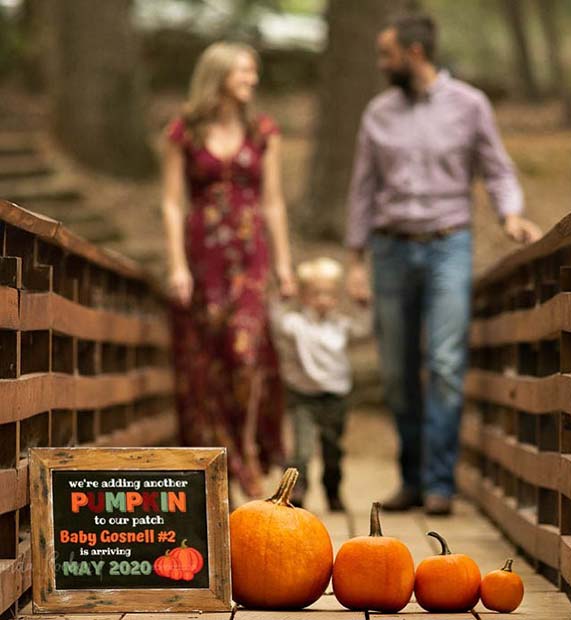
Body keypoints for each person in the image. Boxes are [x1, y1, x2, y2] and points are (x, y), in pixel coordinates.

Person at [345, 13, 541, 515]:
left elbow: (497, 168)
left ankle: (438, 483)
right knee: (395, 373)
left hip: (448, 246)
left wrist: (511, 215)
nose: (380, 64)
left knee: (447, 365)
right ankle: (411, 477)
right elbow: (363, 189)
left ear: (414, 53)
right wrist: (354, 260)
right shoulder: (377, 113)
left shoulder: (470, 105)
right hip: (389, 250)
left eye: (386, 54)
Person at [161, 42, 295, 499]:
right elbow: (171, 203)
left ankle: (250, 450)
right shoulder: (184, 132)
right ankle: (224, 465)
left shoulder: (262, 132)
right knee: (208, 366)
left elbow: (273, 202)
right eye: (244, 71)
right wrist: (177, 266)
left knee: (246, 354)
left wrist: (285, 265)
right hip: (202, 259)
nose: (252, 80)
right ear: (218, 76)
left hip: (250, 256)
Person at [270, 257, 371, 511]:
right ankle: (297, 491)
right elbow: (276, 322)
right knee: (302, 449)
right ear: (303, 296)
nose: (322, 300)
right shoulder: (297, 324)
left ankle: (333, 489)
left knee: (333, 449)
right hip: (303, 396)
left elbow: (364, 329)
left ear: (336, 297)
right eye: (315, 294)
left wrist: (363, 304)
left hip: (335, 397)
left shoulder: (340, 326)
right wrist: (282, 295)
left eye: (328, 294)